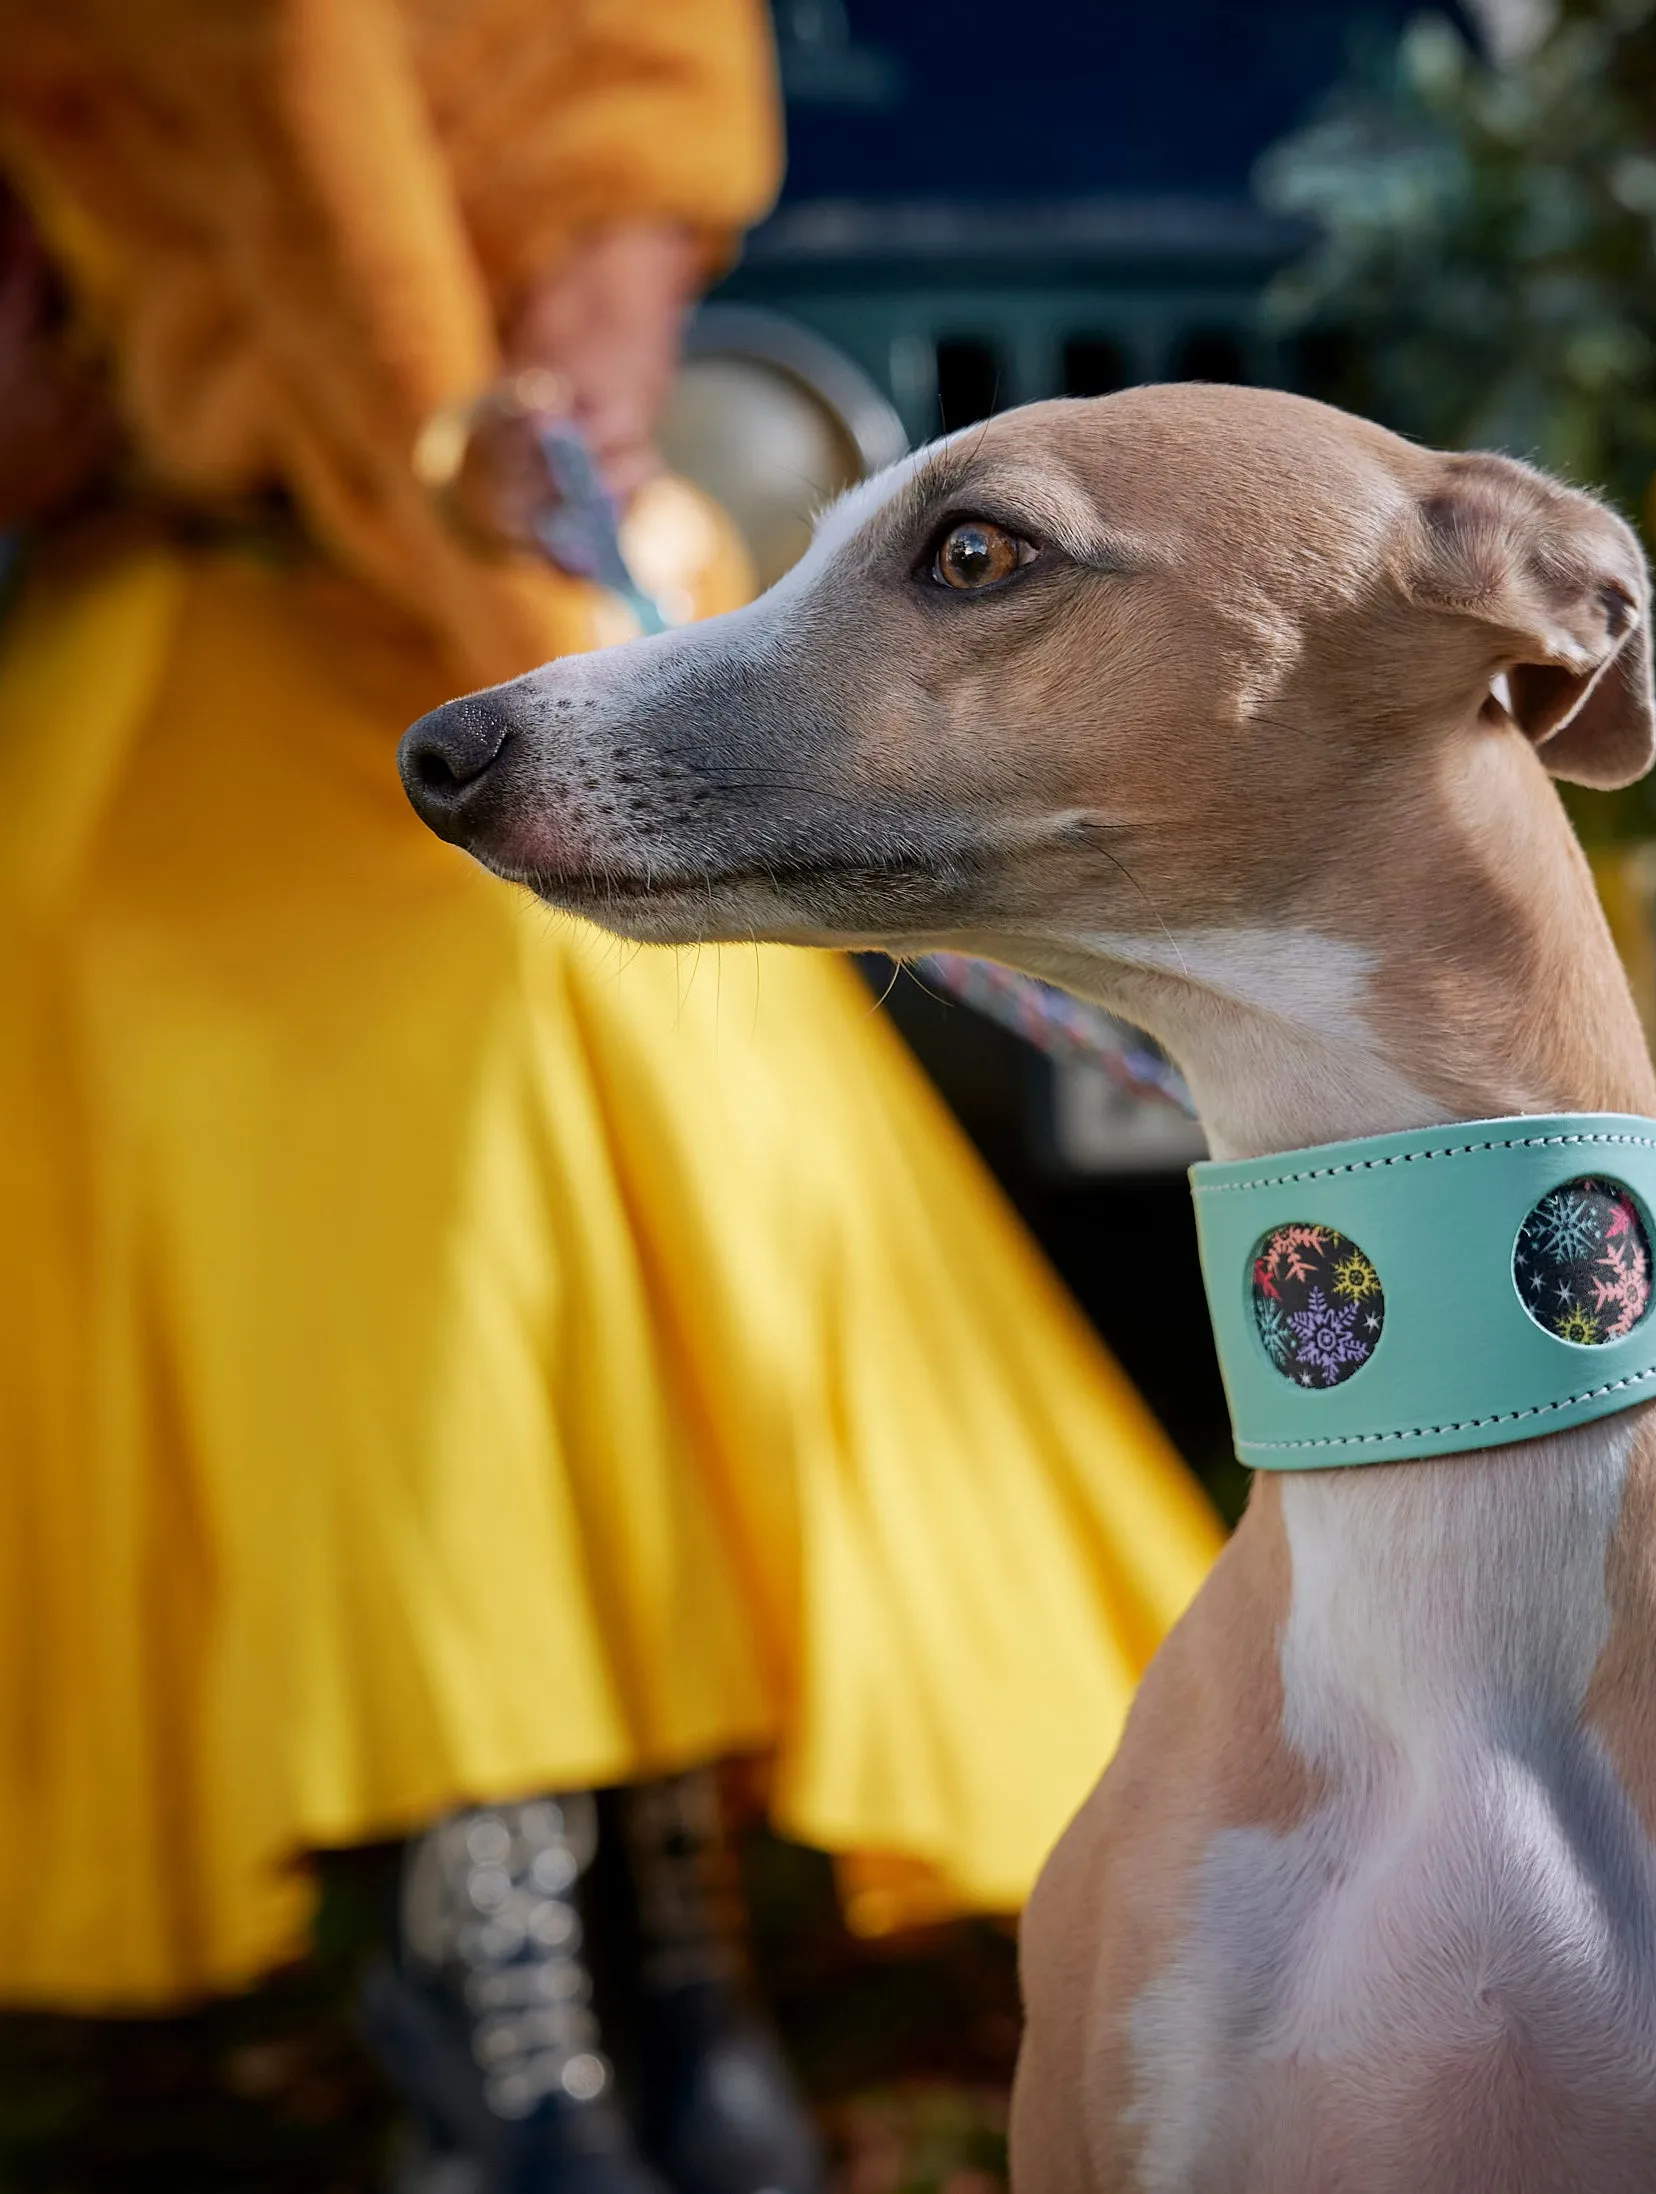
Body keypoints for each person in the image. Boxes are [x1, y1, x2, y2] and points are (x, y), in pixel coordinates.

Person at [0, 5, 1222, 2188]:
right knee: (394, 1100)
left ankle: (620, 1915)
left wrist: (543, 456)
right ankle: (514, 1931)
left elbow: (577, 232)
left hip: (501, 608)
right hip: (244, 614)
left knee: (596, 1033)